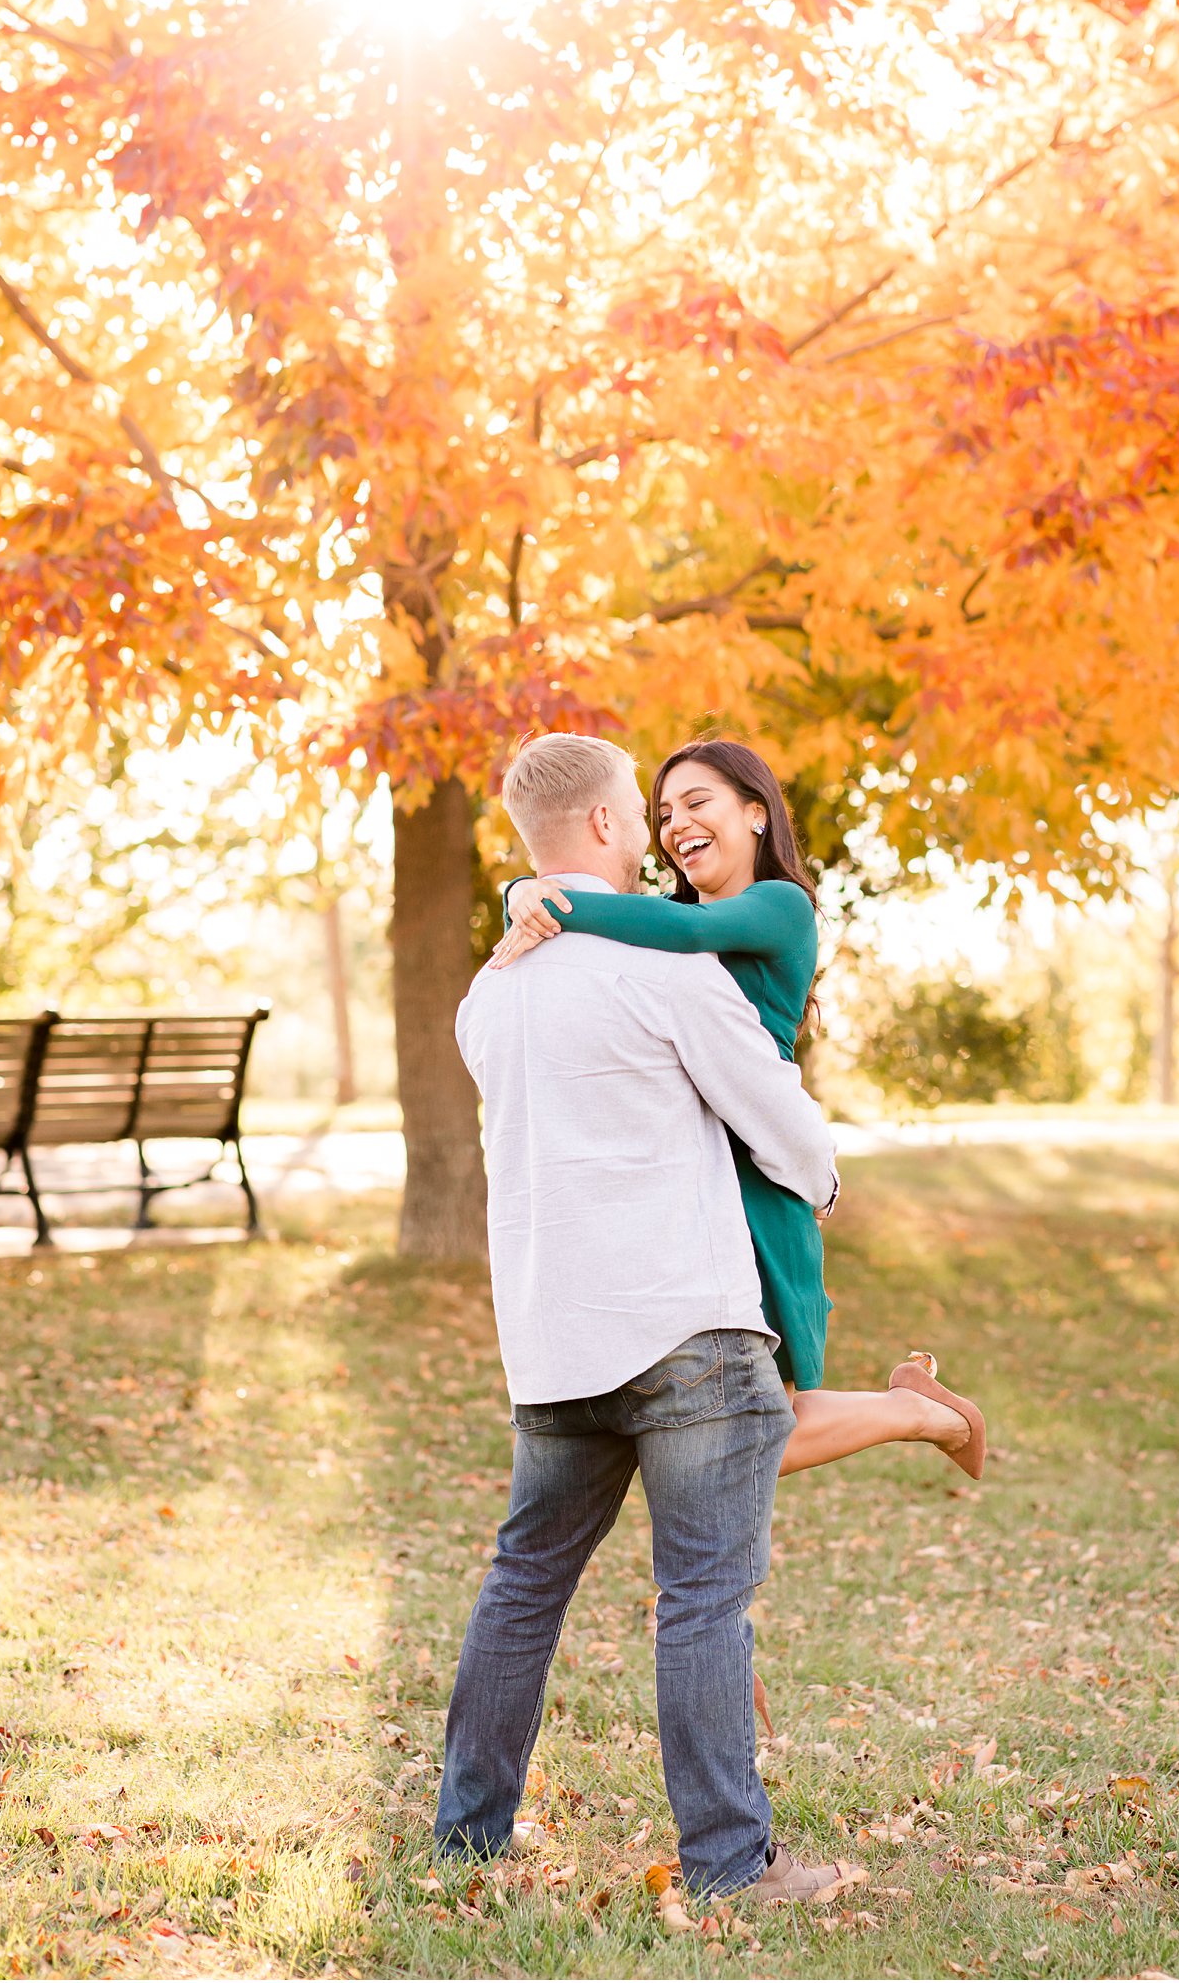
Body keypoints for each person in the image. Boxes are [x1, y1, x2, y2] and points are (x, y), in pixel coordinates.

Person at [438, 732, 859, 1904]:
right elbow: (779, 1122)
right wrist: (819, 1188)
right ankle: (728, 1868)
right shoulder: (672, 973)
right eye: (640, 807)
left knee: (523, 1582)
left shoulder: (491, 993)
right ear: (607, 828)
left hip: (553, 1339)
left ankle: (466, 1838)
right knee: (703, 1603)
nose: (655, 829)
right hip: (688, 1331)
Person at [490, 736, 986, 1484]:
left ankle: (925, 1413)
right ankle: (685, 1592)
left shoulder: (777, 906)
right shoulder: (659, 922)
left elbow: (684, 932)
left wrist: (540, 897)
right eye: (660, 812)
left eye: (698, 802)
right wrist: (519, 894)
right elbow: (646, 922)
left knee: (758, 1429)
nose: (674, 824)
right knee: (722, 1423)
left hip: (760, 1172)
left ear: (756, 813)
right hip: (697, 1175)